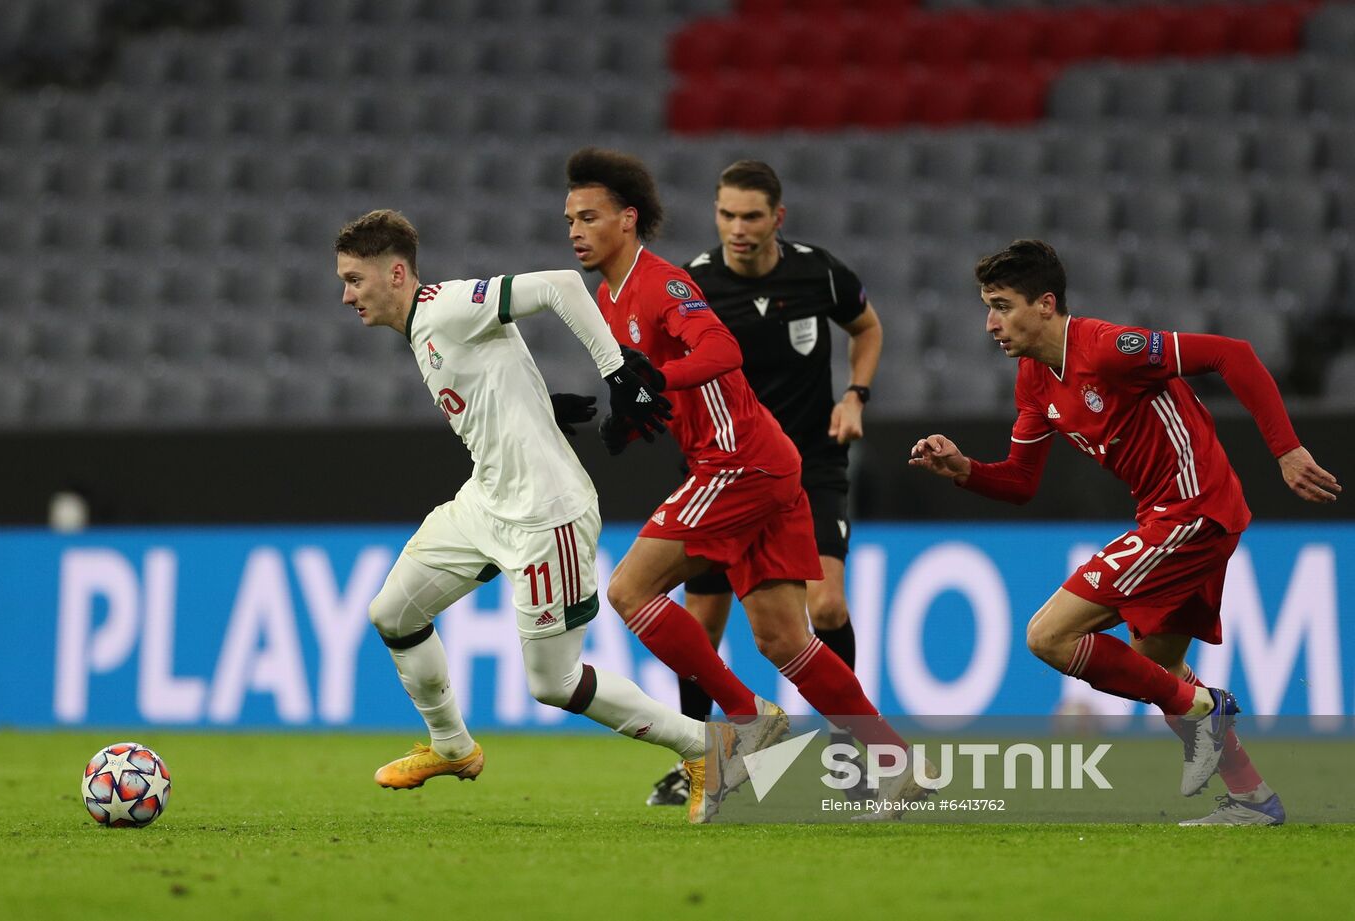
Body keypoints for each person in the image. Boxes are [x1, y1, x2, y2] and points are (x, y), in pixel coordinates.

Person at [909, 239, 1340, 825]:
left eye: (1002, 305)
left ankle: (1206, 710)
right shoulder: (1035, 380)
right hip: (1173, 516)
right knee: (1157, 667)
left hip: (1193, 509)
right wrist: (963, 470)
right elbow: (1019, 483)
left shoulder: (1110, 349)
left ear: (1045, 304)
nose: (990, 323)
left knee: (1047, 636)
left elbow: (1232, 354)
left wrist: (1286, 451)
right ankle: (1252, 799)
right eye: (987, 306)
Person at [334, 209, 737, 826]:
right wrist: (535, 403)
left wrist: (615, 370)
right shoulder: (423, 328)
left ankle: (704, 748)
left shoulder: (444, 305)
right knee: (393, 613)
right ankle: (453, 748)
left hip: (546, 514)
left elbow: (559, 286)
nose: (346, 295)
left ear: (395, 273)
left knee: (554, 683)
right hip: (485, 501)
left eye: (355, 280)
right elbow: (488, 374)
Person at [563, 147, 929, 818]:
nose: (576, 231)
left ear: (627, 219)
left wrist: (659, 381)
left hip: (740, 463)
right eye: (569, 219)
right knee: (784, 639)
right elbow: (673, 385)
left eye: (589, 217)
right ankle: (894, 762)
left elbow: (720, 351)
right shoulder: (609, 297)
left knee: (628, 589)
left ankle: (747, 719)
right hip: (760, 458)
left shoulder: (662, 283)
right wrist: (637, 418)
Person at [646, 160, 884, 808]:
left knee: (826, 607)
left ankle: (848, 751)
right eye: (727, 214)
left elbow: (867, 326)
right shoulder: (692, 284)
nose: (738, 228)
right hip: (722, 470)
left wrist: (855, 395)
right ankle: (702, 758)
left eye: (751, 216)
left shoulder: (819, 272)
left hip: (809, 463)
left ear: (778, 217)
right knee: (700, 623)